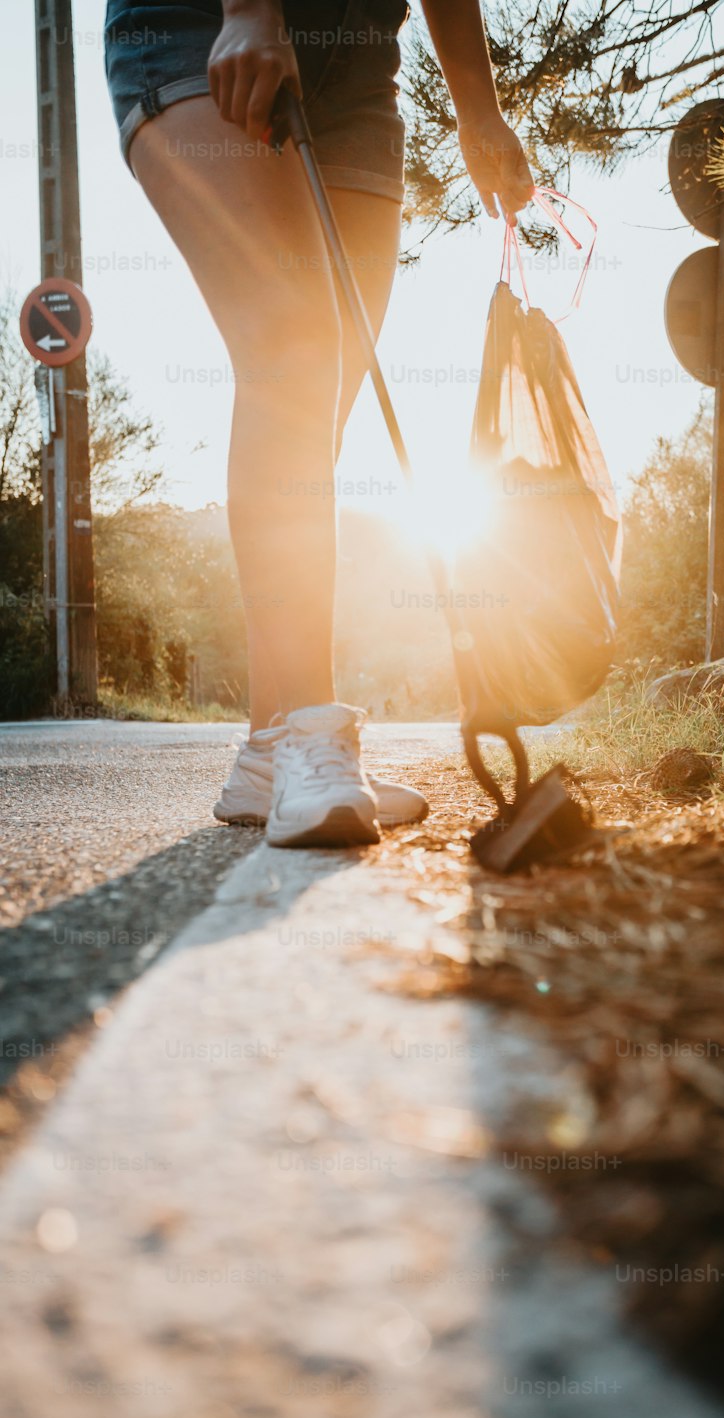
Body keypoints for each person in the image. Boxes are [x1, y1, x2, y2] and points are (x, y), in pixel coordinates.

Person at [104, 0, 534, 847]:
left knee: (316, 399)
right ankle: (309, 731)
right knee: (295, 348)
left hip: (360, 63)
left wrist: (479, 110)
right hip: (200, 27)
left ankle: (271, 749)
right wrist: (251, 9)